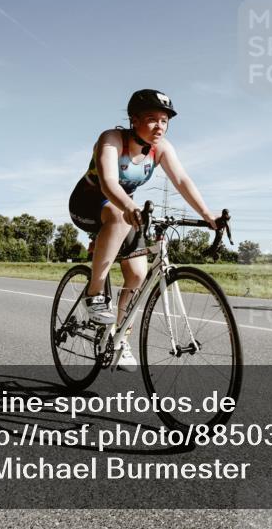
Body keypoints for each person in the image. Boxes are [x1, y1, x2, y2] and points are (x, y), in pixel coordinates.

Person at [68, 89, 218, 371]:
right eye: (152, 119)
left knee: (137, 275)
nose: (159, 126)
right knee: (118, 214)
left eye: (165, 120)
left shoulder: (161, 149)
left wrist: (208, 215)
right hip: (89, 203)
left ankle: (119, 340)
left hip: (124, 210)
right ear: (133, 119)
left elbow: (182, 180)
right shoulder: (111, 140)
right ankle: (94, 294)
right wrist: (127, 206)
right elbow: (109, 184)